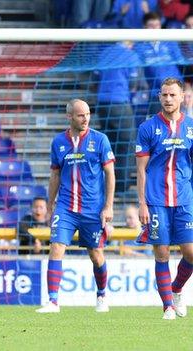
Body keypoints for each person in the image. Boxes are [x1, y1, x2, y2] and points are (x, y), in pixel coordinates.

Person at [36, 99, 115, 314]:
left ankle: (101, 295)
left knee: (96, 255)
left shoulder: (100, 140)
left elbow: (110, 174)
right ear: (69, 116)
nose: (86, 118)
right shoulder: (58, 142)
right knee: (56, 248)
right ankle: (53, 301)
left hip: (93, 209)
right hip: (66, 208)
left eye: (88, 114)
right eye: (81, 115)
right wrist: (50, 205)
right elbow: (54, 175)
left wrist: (108, 206)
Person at [135, 77, 193, 320]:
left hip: (184, 199)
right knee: (162, 254)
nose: (168, 99)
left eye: (173, 95)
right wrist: (141, 203)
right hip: (157, 199)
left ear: (182, 97)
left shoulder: (190, 127)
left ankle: (176, 288)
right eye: (164, 95)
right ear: (159, 97)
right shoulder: (147, 127)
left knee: (190, 253)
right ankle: (167, 306)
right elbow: (140, 169)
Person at [94, 41, 141, 194]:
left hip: (102, 104)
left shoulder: (104, 52)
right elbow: (134, 82)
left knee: (109, 145)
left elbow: (95, 77)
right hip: (120, 103)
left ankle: (105, 185)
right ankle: (121, 186)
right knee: (126, 143)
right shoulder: (130, 55)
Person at [134, 12, 185, 115]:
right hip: (156, 94)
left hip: (176, 91)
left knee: (178, 126)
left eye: (157, 25)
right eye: (151, 26)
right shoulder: (139, 47)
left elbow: (181, 62)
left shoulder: (170, 42)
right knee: (157, 127)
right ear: (145, 27)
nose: (155, 29)